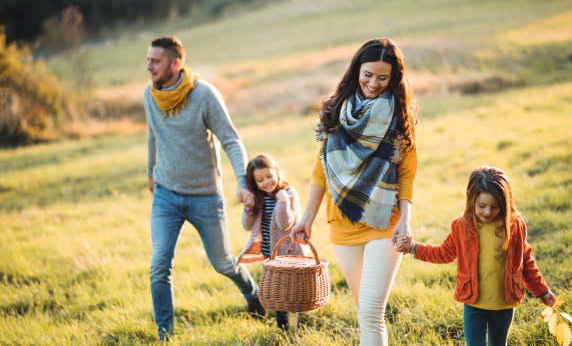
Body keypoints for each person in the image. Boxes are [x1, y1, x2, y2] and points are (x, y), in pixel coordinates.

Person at [291, 37, 419, 345]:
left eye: (383, 77)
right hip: (342, 224)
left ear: (394, 78)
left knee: (372, 313)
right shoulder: (336, 110)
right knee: (364, 311)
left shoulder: (399, 116)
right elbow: (322, 168)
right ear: (356, 71)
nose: (374, 83)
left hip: (382, 222)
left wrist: (405, 219)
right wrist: (307, 218)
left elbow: (407, 172)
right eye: (368, 75)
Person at [143, 36, 265, 340]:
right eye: (148, 60)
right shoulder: (150, 94)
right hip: (166, 195)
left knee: (223, 263)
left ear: (176, 63)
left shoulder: (205, 94)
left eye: (155, 61)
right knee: (159, 264)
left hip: (205, 198)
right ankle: (165, 335)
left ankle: (254, 295)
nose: (148, 67)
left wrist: (242, 181)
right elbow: (152, 134)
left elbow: (231, 140)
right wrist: (150, 172)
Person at [397, 166, 555, 346]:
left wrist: (541, 290)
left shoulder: (514, 227)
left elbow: (526, 261)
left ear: (505, 203)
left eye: (495, 206)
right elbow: (443, 253)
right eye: (482, 206)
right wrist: (414, 248)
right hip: (473, 305)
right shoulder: (462, 226)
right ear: (471, 199)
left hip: (503, 305)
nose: (487, 212)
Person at [236, 153, 309, 329]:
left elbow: (286, 224)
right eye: (260, 180)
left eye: (269, 176)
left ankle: (303, 322)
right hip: (272, 255)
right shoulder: (259, 197)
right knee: (279, 293)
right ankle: (283, 329)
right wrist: (248, 208)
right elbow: (247, 226)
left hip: (292, 253)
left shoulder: (289, 193)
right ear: (254, 183)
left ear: (277, 172)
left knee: (298, 290)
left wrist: (283, 201)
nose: (267, 182)